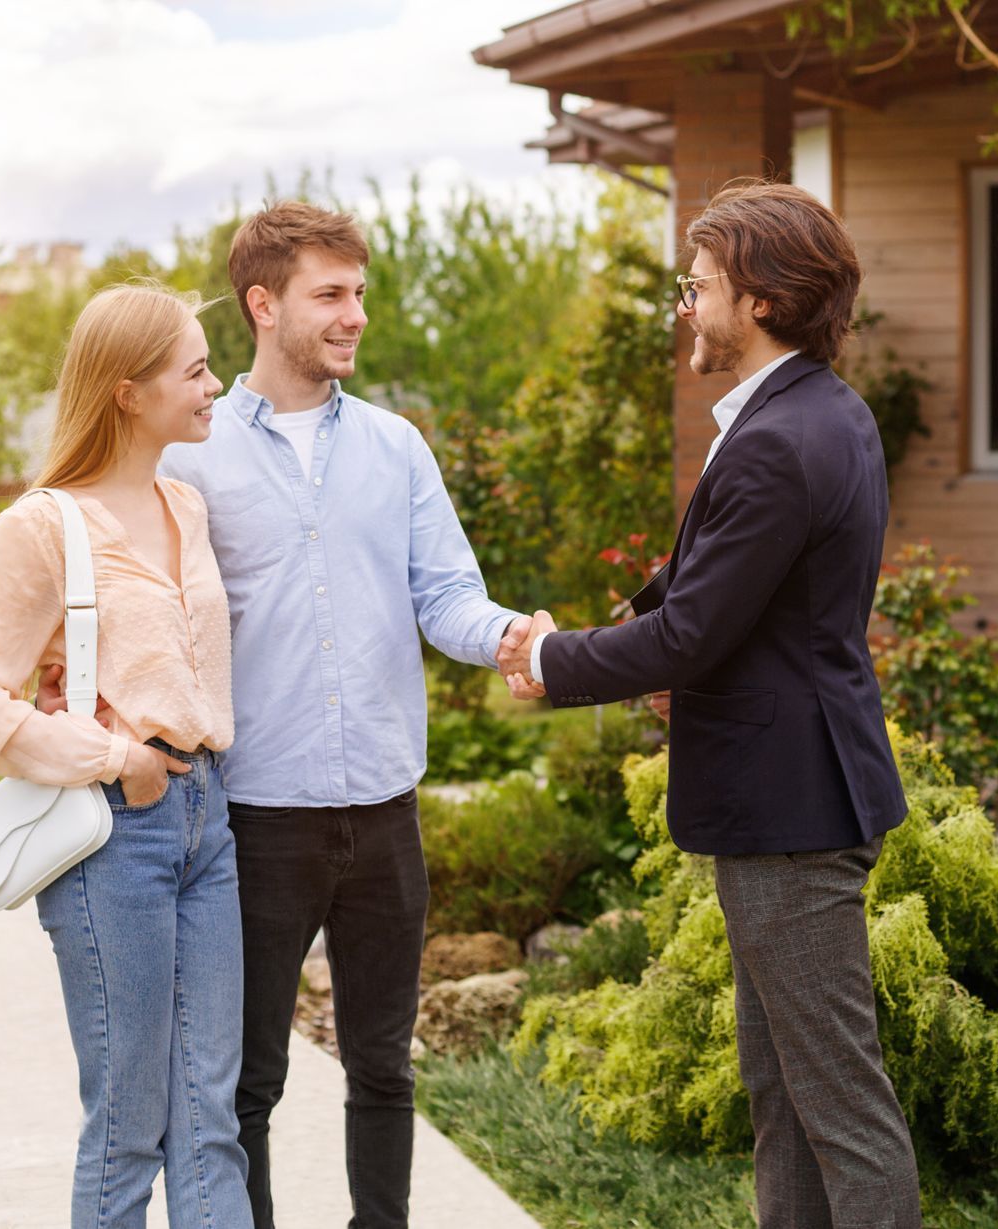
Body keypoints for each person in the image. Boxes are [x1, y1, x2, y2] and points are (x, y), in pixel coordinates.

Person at [502, 180, 921, 1228]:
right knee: (784, 1097)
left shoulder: (781, 437)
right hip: (795, 796)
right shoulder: (823, 412)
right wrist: (615, 627)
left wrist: (556, 658)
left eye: (698, 288)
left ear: (765, 301)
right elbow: (732, 595)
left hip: (790, 814)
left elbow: (695, 634)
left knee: (840, 1107)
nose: (685, 308)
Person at [150, 200, 533, 1229]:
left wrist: (511, 638)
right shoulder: (190, 456)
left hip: (385, 815)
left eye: (360, 292)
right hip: (254, 821)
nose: (355, 313)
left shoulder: (396, 447)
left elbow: (446, 593)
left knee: (384, 1069)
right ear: (263, 304)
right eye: (332, 294)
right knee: (247, 1087)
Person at [0, 282, 249, 1229]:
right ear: (128, 392)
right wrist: (117, 756)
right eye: (195, 370)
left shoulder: (184, 505)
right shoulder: (43, 526)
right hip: (114, 835)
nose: (214, 386)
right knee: (126, 1124)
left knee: (210, 1118)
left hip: (209, 818)